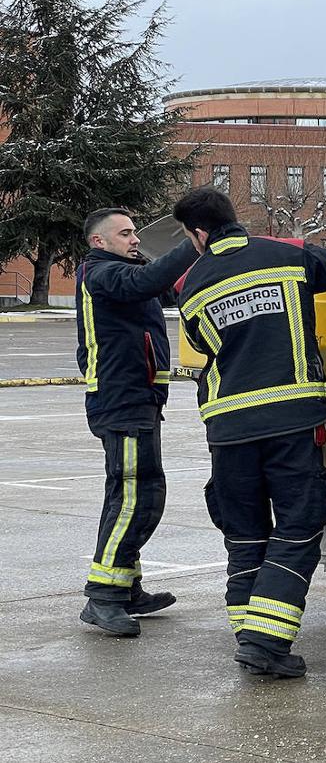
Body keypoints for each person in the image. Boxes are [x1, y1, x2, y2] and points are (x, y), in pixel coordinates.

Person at [173, 187, 326, 678]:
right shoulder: (289, 256)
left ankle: (248, 633)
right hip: (291, 419)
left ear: (199, 234)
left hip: (227, 424)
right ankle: (267, 641)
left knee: (243, 531)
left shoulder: (193, 283)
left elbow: (205, 343)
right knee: (299, 523)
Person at [75, 208, 201, 636]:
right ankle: (103, 596)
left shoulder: (129, 275)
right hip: (120, 401)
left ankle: (126, 586)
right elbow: (147, 282)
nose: (134, 239)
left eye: (134, 232)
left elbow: (167, 289)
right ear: (99, 241)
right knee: (135, 497)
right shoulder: (102, 273)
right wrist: (193, 242)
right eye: (125, 233)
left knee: (136, 492)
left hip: (140, 400)